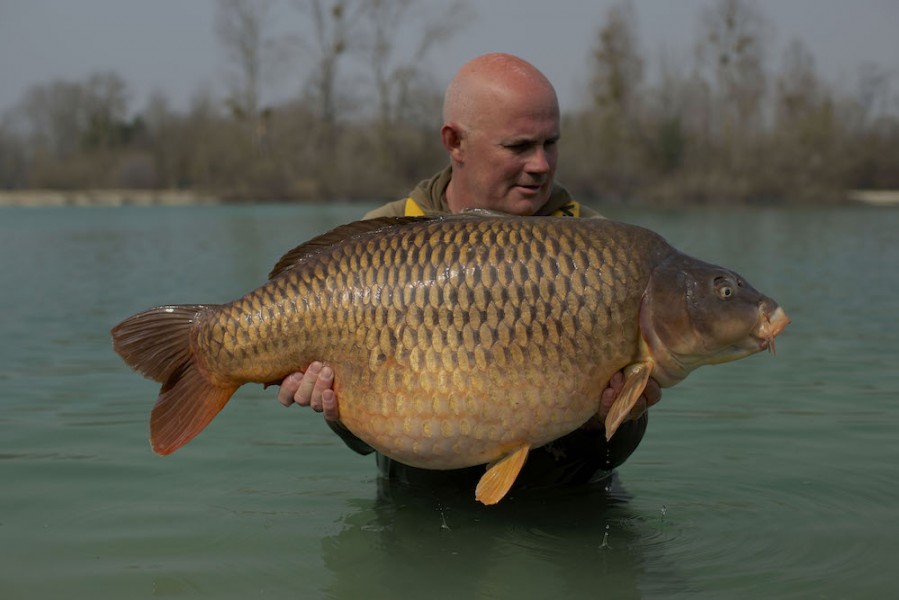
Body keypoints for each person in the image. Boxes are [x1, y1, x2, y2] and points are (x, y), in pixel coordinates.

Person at [278, 53, 661, 492]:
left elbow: (617, 448)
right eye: (519, 147)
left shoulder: (598, 248)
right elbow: (366, 443)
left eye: (550, 143)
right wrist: (335, 409)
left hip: (569, 506)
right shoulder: (379, 242)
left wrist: (608, 420)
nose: (541, 165)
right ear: (455, 142)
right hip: (420, 512)